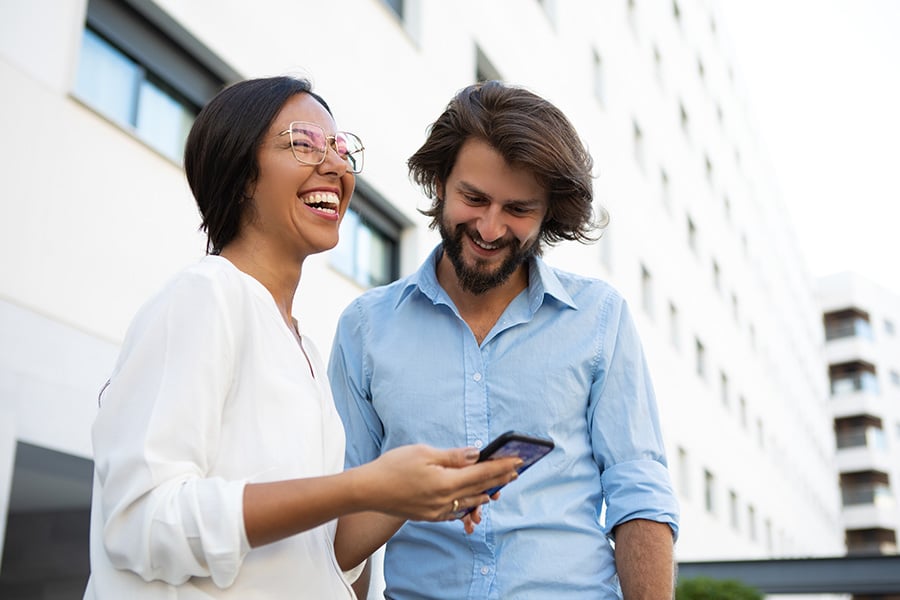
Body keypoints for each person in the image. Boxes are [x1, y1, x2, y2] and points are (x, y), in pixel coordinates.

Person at [83, 76, 521, 600]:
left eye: (339, 147)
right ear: (242, 173)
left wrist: (409, 494)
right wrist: (362, 485)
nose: (335, 165)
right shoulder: (205, 295)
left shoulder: (305, 350)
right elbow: (140, 521)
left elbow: (312, 551)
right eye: (302, 143)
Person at [328, 80, 680, 599]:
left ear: (548, 214)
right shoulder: (365, 327)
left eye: (518, 209)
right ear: (440, 184)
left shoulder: (600, 317)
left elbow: (638, 490)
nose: (490, 229)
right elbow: (345, 513)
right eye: (474, 198)